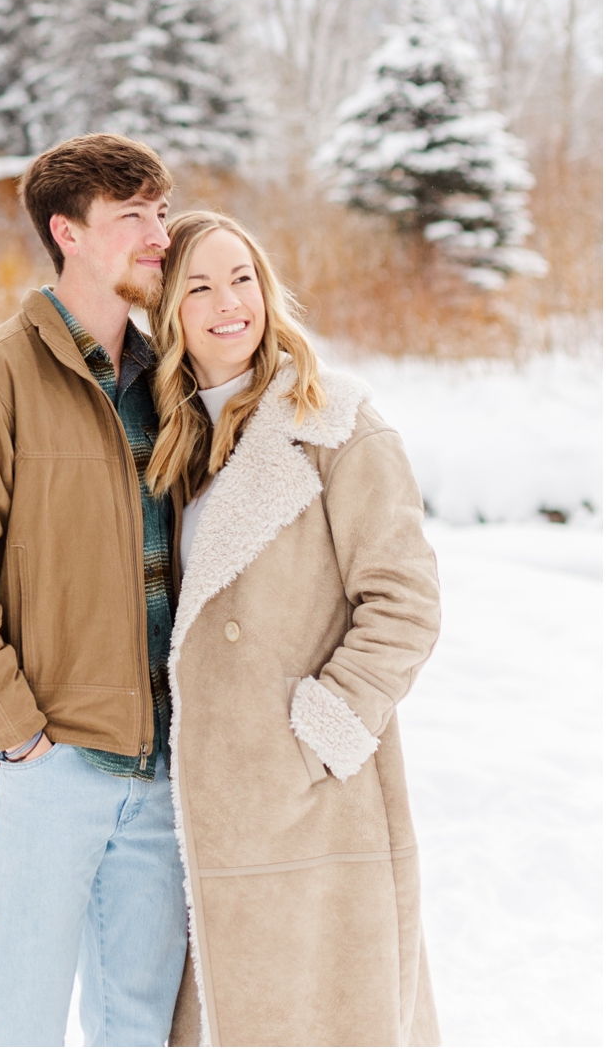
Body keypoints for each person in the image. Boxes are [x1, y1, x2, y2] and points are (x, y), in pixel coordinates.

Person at [0, 134, 189, 1049]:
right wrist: (15, 728)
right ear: (66, 230)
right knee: (17, 1026)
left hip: (159, 774)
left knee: (139, 1028)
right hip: (48, 767)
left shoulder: (172, 384)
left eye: (162, 212)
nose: (159, 234)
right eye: (132, 215)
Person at [148, 210, 441, 1048]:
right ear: (171, 312)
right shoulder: (171, 448)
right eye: (199, 285)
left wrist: (317, 734)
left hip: (316, 810)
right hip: (204, 815)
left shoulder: (337, 424)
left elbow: (407, 599)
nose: (227, 301)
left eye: (242, 276)